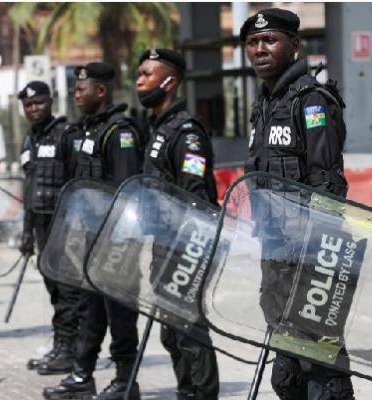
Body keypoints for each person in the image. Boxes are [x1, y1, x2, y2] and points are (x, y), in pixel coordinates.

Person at [240, 8, 353, 400]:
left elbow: (329, 185)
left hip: (310, 254)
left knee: (322, 366)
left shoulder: (312, 102)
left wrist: (319, 259)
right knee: (286, 372)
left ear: (294, 45)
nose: (260, 49)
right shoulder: (264, 106)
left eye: (269, 40)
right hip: (274, 255)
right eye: (253, 43)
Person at [43, 62, 143, 400]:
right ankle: (82, 377)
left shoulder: (120, 132)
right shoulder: (89, 130)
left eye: (81, 89)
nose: (76, 95)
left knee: (121, 316)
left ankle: (126, 383)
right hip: (91, 240)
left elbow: (126, 191)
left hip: (117, 243)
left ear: (100, 91)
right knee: (91, 312)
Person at [136, 48, 219, 400]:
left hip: (186, 246)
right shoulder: (158, 128)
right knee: (171, 332)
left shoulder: (186, 133)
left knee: (188, 330)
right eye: (138, 74)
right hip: (163, 243)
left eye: (146, 74)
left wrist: (187, 252)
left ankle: (202, 395)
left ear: (168, 81)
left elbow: (195, 198)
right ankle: (187, 393)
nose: (139, 81)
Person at [18, 81, 81, 375]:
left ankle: (70, 350)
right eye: (29, 105)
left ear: (50, 102)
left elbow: (79, 182)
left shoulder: (66, 135)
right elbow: (29, 189)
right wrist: (26, 233)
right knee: (53, 288)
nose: (34, 109)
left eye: (39, 103)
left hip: (64, 225)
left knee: (67, 289)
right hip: (40, 224)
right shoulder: (29, 140)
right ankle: (61, 344)